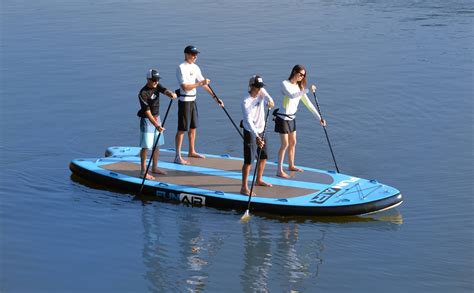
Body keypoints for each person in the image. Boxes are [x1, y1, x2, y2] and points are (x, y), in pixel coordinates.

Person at [274, 64, 326, 178]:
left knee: (293, 142)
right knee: (285, 144)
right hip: (282, 118)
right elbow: (292, 96)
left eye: (304, 75)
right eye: (300, 74)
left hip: (292, 118)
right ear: (294, 72)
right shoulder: (284, 84)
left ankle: (291, 165)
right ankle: (279, 170)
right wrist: (307, 90)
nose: (302, 77)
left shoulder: (299, 88)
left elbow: (309, 104)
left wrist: (319, 118)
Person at [175, 45, 224, 165]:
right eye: (193, 54)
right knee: (182, 129)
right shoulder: (181, 68)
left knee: (193, 127)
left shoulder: (196, 67)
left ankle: (191, 151)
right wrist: (200, 83)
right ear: (186, 54)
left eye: (196, 54)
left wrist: (215, 97)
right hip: (185, 101)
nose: (195, 56)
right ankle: (177, 156)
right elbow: (185, 87)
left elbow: (204, 84)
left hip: (193, 101)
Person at [137, 69, 177, 179]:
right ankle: (143, 171)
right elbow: (148, 113)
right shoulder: (142, 93)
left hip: (157, 117)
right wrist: (157, 126)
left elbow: (165, 90)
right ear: (148, 79)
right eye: (154, 80)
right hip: (147, 120)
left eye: (157, 80)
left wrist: (171, 94)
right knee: (146, 147)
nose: (156, 82)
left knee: (157, 145)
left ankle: (154, 168)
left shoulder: (157, 86)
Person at [240, 75, 274, 196]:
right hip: (250, 131)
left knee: (263, 156)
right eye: (257, 87)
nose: (259, 89)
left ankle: (258, 180)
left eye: (260, 87)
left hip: (261, 130)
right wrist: (257, 137)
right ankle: (244, 187)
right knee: (249, 160)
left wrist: (270, 102)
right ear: (251, 86)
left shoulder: (261, 91)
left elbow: (269, 99)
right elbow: (248, 121)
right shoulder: (246, 101)